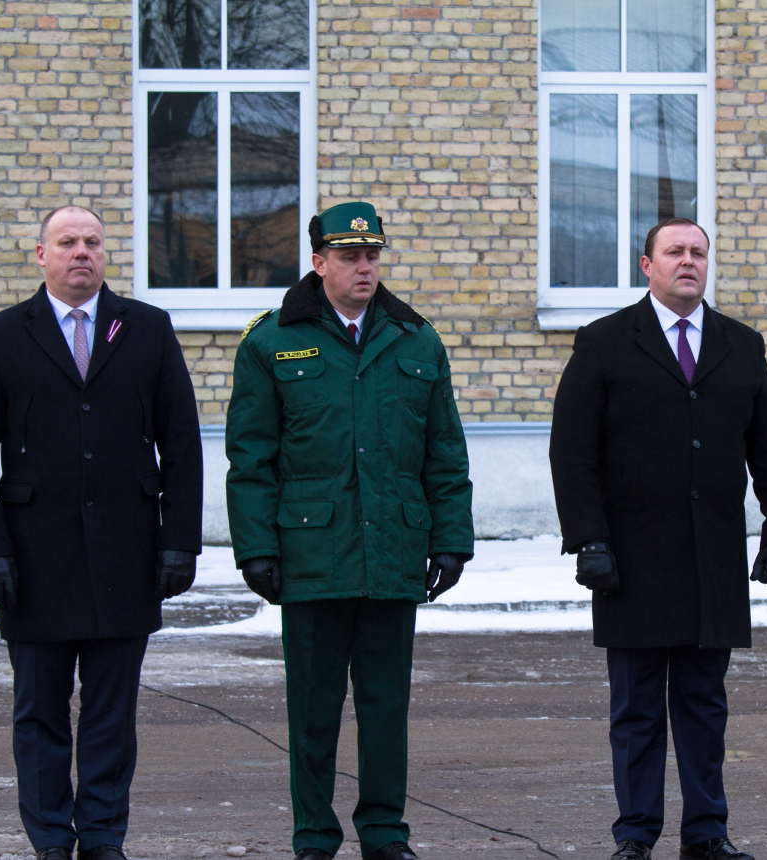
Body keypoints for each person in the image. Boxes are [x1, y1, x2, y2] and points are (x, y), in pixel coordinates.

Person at [0, 206, 203, 860]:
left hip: (128, 553)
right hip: (34, 561)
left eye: (92, 242)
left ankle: (101, 839)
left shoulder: (146, 328)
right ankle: (49, 843)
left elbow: (181, 443)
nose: (81, 253)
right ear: (41, 254)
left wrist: (179, 539)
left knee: (110, 718)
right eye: (67, 242)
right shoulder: (3, 335)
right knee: (39, 717)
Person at [226, 202, 474, 860]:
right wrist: (255, 548)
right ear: (318, 262)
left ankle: (386, 833)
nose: (364, 267)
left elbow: (444, 454)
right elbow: (250, 460)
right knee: (311, 710)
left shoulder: (415, 339)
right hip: (311, 551)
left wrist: (451, 539)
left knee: (387, 706)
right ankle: (314, 834)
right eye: (348, 257)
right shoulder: (272, 341)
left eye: (371, 256)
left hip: (393, 548)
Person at [549, 217, 767, 860]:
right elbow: (571, 452)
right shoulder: (604, 342)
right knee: (636, 710)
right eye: (674, 252)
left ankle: (707, 833)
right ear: (647, 265)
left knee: (703, 705)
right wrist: (589, 540)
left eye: (698, 253)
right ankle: (635, 833)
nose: (688, 262)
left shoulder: (740, 345)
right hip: (631, 559)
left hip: (711, 556)